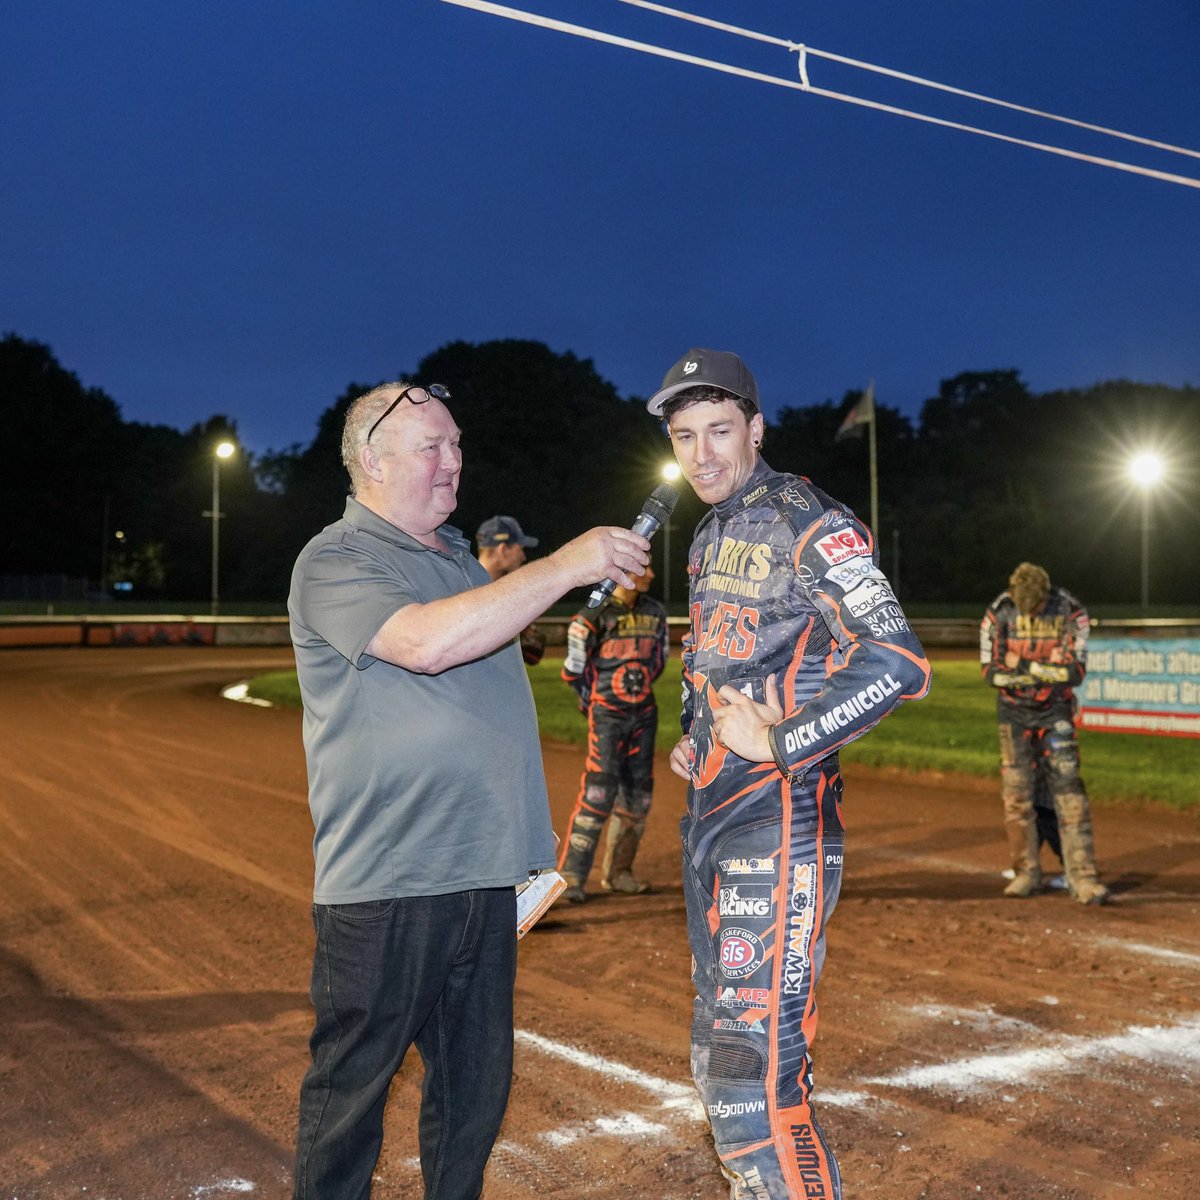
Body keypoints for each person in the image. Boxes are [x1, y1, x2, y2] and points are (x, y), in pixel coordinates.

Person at [287, 380, 649, 1200]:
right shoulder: (337, 558)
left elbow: (485, 632)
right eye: (432, 447)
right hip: (389, 882)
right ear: (372, 461)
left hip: (483, 878)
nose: (455, 461)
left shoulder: (454, 555)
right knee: (351, 1099)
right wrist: (564, 564)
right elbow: (423, 644)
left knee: (474, 1097)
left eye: (457, 444)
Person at [648, 348, 931, 1200]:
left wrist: (777, 745)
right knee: (718, 1057)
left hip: (781, 827)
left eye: (720, 431)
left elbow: (897, 662)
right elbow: (725, 667)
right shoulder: (706, 533)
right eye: (684, 435)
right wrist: (701, 739)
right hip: (713, 820)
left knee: (753, 1081)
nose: (702, 454)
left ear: (757, 429)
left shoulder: (811, 518)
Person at [980, 561, 1109, 905]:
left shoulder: (1071, 610)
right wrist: (1044, 670)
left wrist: (1026, 667)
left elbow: (1075, 671)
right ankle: (1026, 872)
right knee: (1017, 797)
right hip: (1013, 716)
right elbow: (990, 671)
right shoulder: (999, 611)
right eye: (1025, 609)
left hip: (1056, 714)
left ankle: (1083, 877)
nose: (1031, 615)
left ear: (1046, 597)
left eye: (1035, 609)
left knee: (1070, 794)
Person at [558, 564, 669, 901]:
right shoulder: (593, 614)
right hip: (607, 715)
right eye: (645, 568)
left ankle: (619, 873)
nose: (651, 574)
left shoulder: (655, 612)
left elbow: (659, 663)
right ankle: (573, 877)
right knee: (599, 791)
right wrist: (594, 701)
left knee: (639, 794)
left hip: (644, 715)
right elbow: (573, 672)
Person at [475, 514, 546, 664]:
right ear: (503, 549)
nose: (523, 556)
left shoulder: (497, 591)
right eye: (519, 548)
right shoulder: (466, 591)